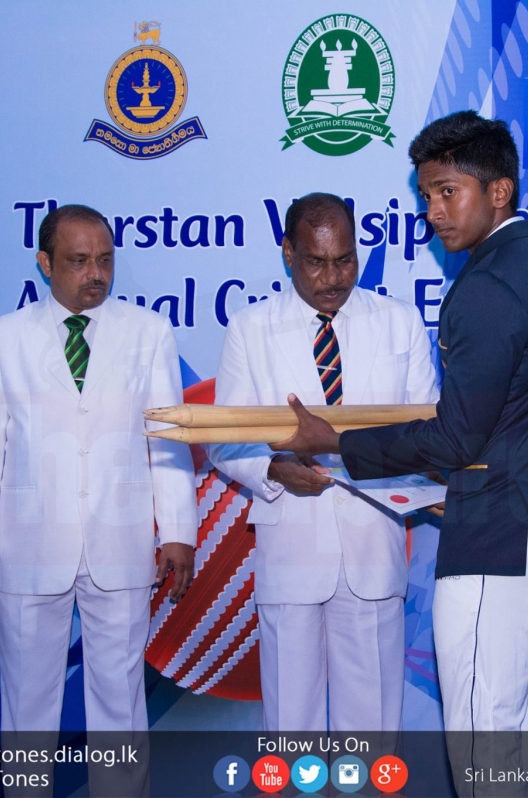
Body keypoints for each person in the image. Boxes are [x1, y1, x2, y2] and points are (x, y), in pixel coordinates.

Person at [273, 112, 528, 736]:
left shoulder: (485, 285)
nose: (432, 211)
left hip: (501, 534)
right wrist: (526, 436)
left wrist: (337, 441)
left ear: (499, 191)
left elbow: (459, 437)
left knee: (484, 733)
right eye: (426, 194)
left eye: (447, 192)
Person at [0, 204, 197, 733]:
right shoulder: (4, 337)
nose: (96, 274)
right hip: (30, 545)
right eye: (79, 261)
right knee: (27, 706)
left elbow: (168, 440)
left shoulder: (149, 332)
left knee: (120, 705)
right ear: (45, 263)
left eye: (105, 260)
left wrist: (178, 531)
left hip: (122, 542)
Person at [208, 193, 438, 731]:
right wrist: (272, 470)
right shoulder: (250, 329)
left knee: (373, 728)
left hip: (373, 548)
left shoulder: (400, 322)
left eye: (345, 260)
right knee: (291, 725)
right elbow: (224, 441)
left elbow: (427, 436)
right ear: (288, 253)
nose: (333, 278)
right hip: (291, 547)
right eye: (316, 261)